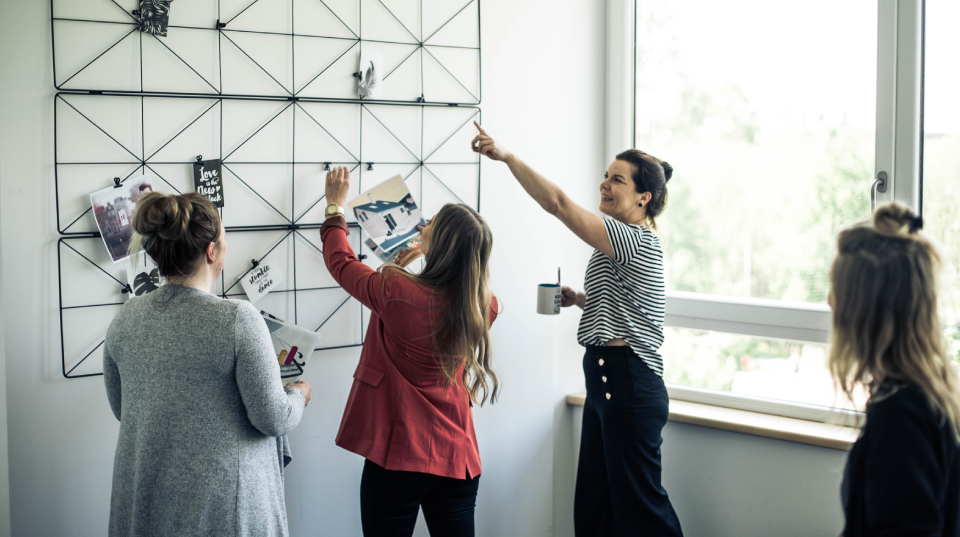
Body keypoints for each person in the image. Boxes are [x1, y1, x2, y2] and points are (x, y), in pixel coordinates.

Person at [472, 123, 683, 536]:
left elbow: (557, 203)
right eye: (605, 175)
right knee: (594, 508)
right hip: (606, 382)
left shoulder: (634, 238)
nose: (604, 184)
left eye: (617, 179)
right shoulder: (623, 240)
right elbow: (633, 306)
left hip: (629, 384)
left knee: (641, 512)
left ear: (645, 198)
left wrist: (508, 157)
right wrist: (582, 300)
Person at [103, 192, 312, 537]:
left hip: (149, 501)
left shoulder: (125, 318)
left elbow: (123, 409)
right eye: (224, 239)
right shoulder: (237, 319)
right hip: (220, 508)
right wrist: (297, 394)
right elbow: (273, 417)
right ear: (212, 251)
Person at [320, 167, 499, 537]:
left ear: (442, 244)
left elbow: (341, 262)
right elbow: (435, 302)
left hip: (398, 457)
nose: (423, 225)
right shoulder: (485, 306)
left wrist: (334, 207)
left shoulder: (396, 291)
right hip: (458, 460)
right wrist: (407, 266)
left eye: (430, 222)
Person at [829, 203, 960, 537]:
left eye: (840, 297)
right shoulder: (932, 392)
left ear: (864, 314)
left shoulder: (900, 417)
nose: (830, 301)